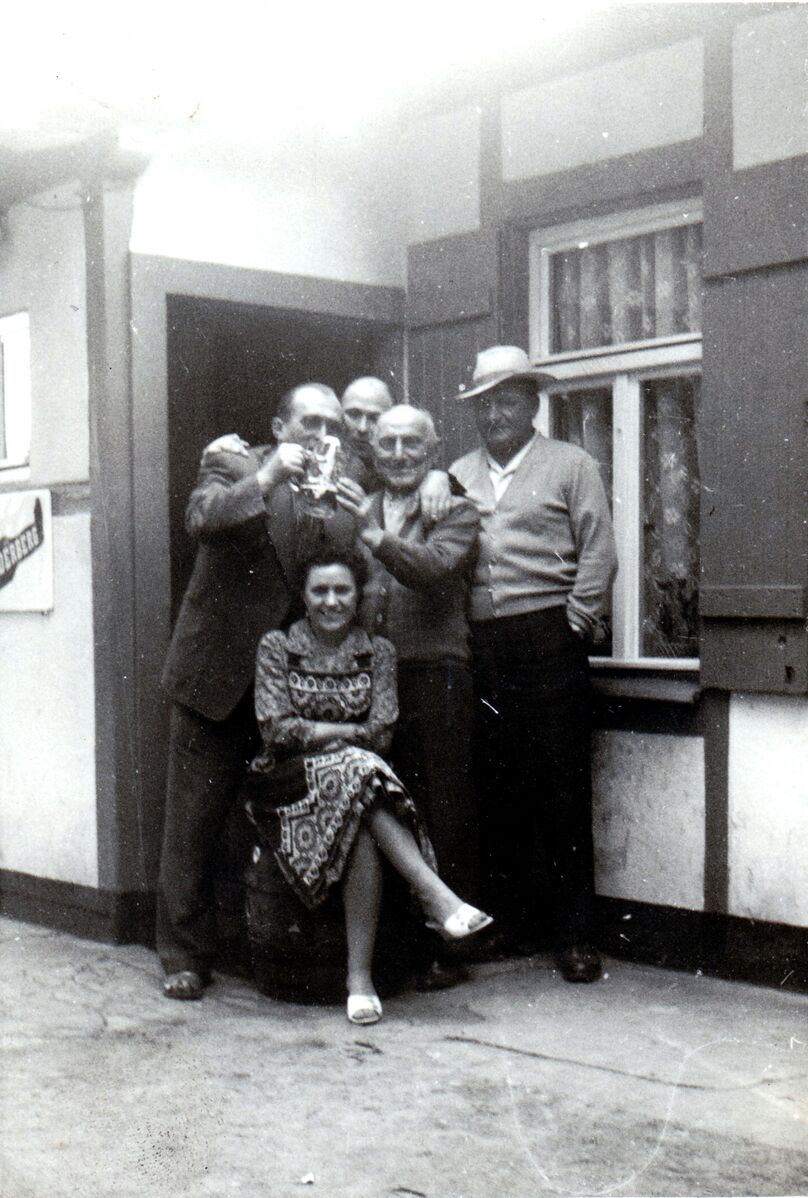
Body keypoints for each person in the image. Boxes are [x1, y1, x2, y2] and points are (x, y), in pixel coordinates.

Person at [156, 382, 355, 1000]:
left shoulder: (336, 487)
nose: (321, 434)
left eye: (332, 424)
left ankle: (247, 942)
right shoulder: (235, 462)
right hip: (214, 675)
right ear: (279, 426)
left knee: (262, 821)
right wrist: (268, 477)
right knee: (192, 823)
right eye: (309, 421)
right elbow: (201, 518)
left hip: (281, 689)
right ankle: (183, 955)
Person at [245, 550, 492, 1024]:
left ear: (358, 596)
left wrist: (328, 735)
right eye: (320, 590)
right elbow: (276, 729)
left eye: (342, 590)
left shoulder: (378, 652)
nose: (331, 601)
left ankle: (359, 981)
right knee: (360, 771)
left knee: (357, 811)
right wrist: (345, 734)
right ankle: (435, 897)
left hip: (356, 782)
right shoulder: (279, 647)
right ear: (304, 596)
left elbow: (381, 732)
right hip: (287, 780)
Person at [450, 346, 618, 983]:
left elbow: (599, 549)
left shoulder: (571, 465)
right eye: (484, 404)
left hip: (549, 637)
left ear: (533, 404)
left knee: (562, 786)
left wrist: (577, 619)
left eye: (508, 401)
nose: (495, 414)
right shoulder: (458, 474)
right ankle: (513, 925)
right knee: (498, 783)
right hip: (483, 643)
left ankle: (575, 936)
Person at [336, 405, 481, 990]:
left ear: (433, 450)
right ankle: (394, 946)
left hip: (435, 672)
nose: (398, 454)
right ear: (372, 449)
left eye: (411, 444)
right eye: (387, 443)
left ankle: (450, 947)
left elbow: (435, 568)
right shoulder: (361, 503)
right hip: (372, 677)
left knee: (442, 806)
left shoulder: (455, 509)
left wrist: (373, 537)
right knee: (383, 805)